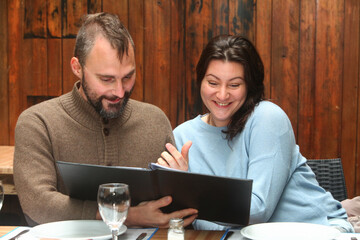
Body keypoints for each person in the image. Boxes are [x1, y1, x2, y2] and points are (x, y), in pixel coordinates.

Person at [13, 12, 198, 227]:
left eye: (128, 77)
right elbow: (38, 203)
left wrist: (181, 186)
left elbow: (172, 213)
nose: (119, 91)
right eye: (106, 79)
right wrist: (128, 215)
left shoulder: (155, 121)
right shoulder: (38, 123)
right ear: (77, 68)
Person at [157, 35, 354, 232]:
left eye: (234, 85)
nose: (222, 94)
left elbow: (257, 210)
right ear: (200, 81)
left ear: (249, 86)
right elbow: (185, 219)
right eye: (213, 83)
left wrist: (188, 190)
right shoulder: (182, 136)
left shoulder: (267, 118)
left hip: (316, 230)